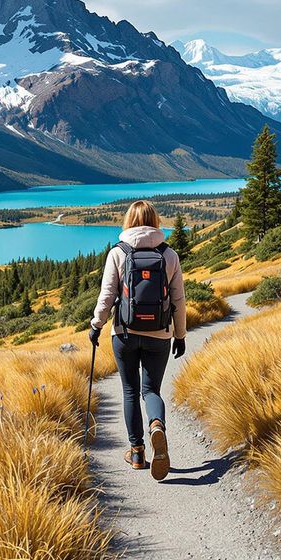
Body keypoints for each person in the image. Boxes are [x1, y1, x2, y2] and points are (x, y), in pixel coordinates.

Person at [89, 199, 186, 480]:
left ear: (128, 221)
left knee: (130, 390)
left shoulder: (118, 253)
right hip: (159, 334)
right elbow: (178, 299)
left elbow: (107, 296)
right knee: (150, 390)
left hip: (125, 333)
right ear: (155, 221)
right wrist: (179, 335)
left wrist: (96, 324)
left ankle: (137, 452)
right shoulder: (170, 255)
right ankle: (156, 425)